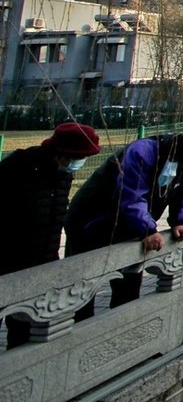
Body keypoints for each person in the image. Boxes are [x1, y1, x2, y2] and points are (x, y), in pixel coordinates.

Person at [65, 131, 183, 312]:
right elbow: (131, 194)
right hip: (92, 219)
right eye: (182, 163)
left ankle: (122, 327)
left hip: (129, 226)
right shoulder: (141, 152)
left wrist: (181, 221)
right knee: (84, 285)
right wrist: (147, 229)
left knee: (128, 285)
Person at [0, 122, 101, 347]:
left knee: (26, 330)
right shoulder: (18, 168)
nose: (80, 163)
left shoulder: (62, 175)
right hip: (8, 260)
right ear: (64, 154)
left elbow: (54, 218)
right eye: (80, 157)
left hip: (41, 263)